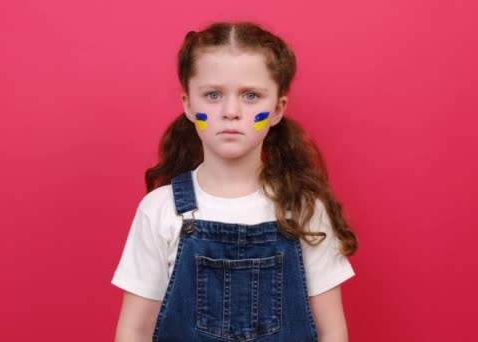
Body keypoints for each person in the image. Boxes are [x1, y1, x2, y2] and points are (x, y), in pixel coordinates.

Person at [112, 21, 358, 342]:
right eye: (213, 95)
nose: (231, 111)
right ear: (188, 104)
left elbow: (332, 331)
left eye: (251, 96)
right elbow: (134, 330)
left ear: (276, 109)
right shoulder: (161, 210)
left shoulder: (302, 209)